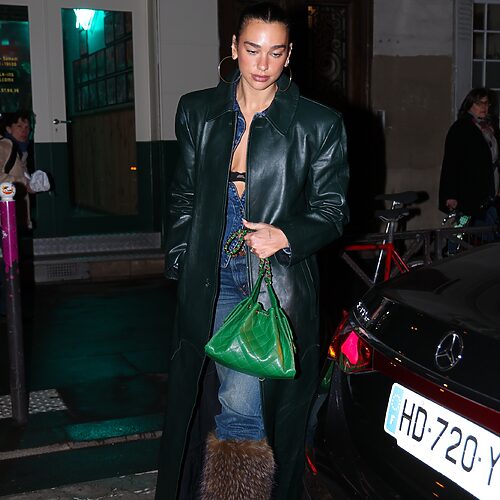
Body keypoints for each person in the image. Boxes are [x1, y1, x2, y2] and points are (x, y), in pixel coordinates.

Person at [155, 3, 349, 499]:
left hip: (271, 284)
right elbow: (182, 195)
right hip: (211, 274)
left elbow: (333, 211)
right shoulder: (198, 111)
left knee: (242, 409)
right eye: (252, 49)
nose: (263, 64)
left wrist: (286, 236)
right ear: (233, 48)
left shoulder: (317, 123)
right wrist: (181, 260)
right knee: (216, 403)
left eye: (275, 52)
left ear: (289, 55)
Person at [439, 87, 500, 243]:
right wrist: (450, 194)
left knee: (487, 230)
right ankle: (452, 252)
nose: (484, 107)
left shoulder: (489, 128)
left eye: (486, 103)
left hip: (488, 192)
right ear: (470, 105)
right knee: (462, 228)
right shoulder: (461, 128)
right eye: (479, 103)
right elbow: (451, 162)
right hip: (469, 193)